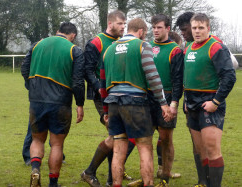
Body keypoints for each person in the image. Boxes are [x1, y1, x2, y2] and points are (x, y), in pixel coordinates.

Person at [100, 18, 172, 187]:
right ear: (141, 31)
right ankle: (148, 184)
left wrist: (105, 110)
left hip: (113, 104)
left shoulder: (109, 49)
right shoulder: (142, 46)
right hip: (135, 103)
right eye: (145, 33)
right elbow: (153, 76)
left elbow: (103, 83)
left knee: (118, 151)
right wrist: (163, 103)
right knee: (145, 147)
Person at [176, 12, 238, 186]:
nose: (197, 31)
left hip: (210, 101)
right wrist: (186, 101)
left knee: (211, 149)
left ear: (208, 28)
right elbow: (187, 76)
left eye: (201, 28)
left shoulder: (216, 47)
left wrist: (216, 102)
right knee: (199, 148)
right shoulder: (188, 47)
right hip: (192, 103)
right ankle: (203, 182)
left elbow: (229, 77)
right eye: (194, 28)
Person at [21, 22, 85, 187]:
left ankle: (35, 169)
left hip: (37, 100)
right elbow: (78, 82)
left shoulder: (37, 45)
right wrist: (79, 104)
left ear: (57, 32)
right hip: (60, 102)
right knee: (57, 144)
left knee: (37, 139)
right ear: (73, 36)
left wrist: (32, 88)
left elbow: (24, 68)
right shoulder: (74, 50)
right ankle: (53, 183)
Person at [81, 10, 132, 187]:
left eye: (125, 24)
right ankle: (92, 172)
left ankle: (110, 176)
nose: (123, 27)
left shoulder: (121, 42)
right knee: (117, 134)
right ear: (110, 23)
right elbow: (87, 70)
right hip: (102, 96)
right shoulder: (96, 42)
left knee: (117, 135)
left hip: (119, 94)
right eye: (120, 24)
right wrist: (101, 89)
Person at [149, 14, 184, 187]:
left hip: (168, 96)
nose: (155, 30)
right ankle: (147, 175)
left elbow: (178, 80)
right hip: (147, 98)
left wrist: (174, 103)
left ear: (168, 29)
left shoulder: (175, 50)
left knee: (165, 138)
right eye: (153, 27)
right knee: (145, 138)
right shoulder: (146, 46)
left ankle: (165, 178)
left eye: (159, 27)